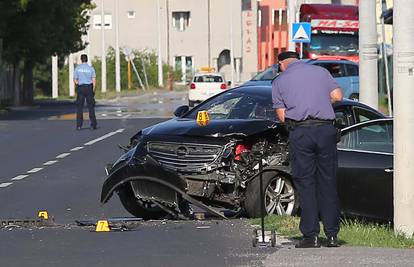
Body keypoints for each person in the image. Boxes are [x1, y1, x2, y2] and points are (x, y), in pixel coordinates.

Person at [271, 51, 343, 248]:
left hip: (301, 133)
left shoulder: (279, 81)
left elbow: (283, 117)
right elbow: (337, 95)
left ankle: (311, 236)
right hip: (326, 131)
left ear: (282, 64)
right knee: (328, 182)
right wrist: (320, 102)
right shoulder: (320, 72)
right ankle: (332, 236)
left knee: (306, 183)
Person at [74, 54, 97, 130]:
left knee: (79, 107)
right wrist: (93, 89)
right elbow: (94, 80)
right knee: (91, 106)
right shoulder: (91, 69)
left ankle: (79, 125)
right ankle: (93, 124)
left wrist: (78, 85)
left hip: (81, 87)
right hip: (89, 87)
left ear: (81, 59)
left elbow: (75, 79)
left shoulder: (77, 68)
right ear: (87, 60)